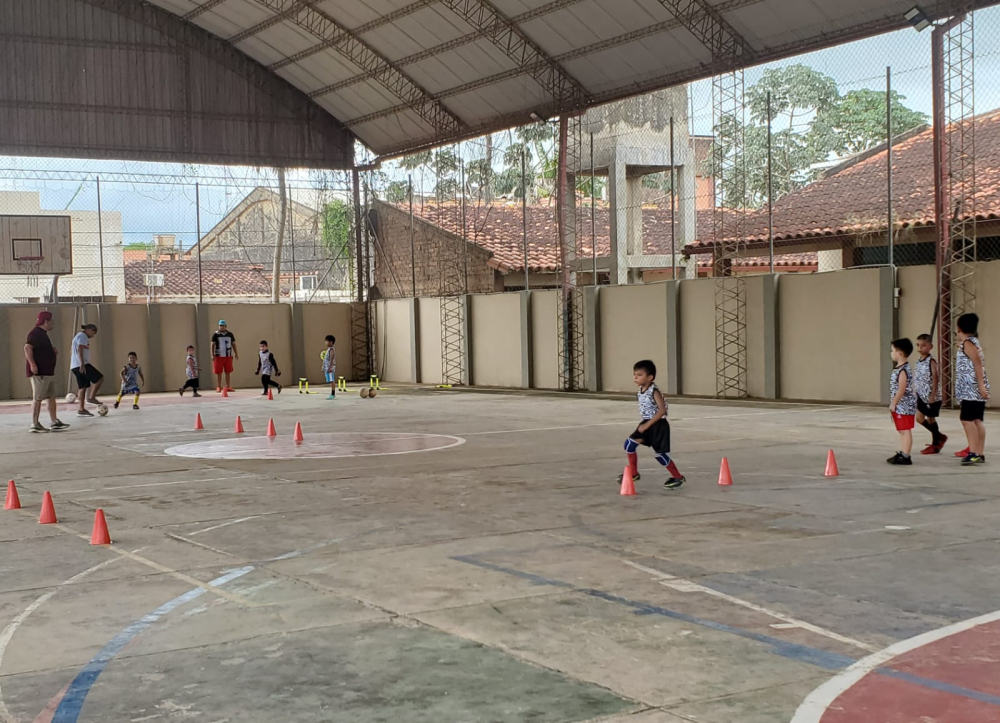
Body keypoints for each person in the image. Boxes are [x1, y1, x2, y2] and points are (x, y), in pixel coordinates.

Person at [621, 360, 685, 489]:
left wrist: (647, 424)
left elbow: (662, 411)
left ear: (650, 377)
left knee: (660, 455)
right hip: (647, 422)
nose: (635, 377)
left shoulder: (654, 391)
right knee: (629, 445)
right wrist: (645, 424)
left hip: (658, 425)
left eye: (639, 375)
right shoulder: (640, 390)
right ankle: (633, 473)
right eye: (634, 374)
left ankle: (678, 477)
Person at [24, 311, 69, 433]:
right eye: (51, 321)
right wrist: (33, 364)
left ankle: (54, 421)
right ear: (46, 321)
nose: (53, 323)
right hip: (40, 373)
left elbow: (40, 349)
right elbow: (28, 348)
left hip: (48, 372)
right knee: (38, 397)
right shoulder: (35, 333)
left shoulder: (43, 334)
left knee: (51, 396)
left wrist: (51, 352)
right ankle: (35, 423)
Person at [954, 313, 990, 466]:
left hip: (971, 389)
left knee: (967, 420)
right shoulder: (971, 342)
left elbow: (977, 364)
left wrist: (981, 386)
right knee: (976, 420)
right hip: (971, 389)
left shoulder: (969, 344)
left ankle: (974, 452)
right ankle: (979, 452)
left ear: (959, 328)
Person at [914, 334, 947, 454]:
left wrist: (933, 395)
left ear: (930, 346)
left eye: (923, 345)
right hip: (920, 395)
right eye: (918, 345)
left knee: (931, 418)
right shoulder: (918, 361)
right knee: (919, 418)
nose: (920, 348)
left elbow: (935, 377)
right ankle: (939, 436)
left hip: (930, 396)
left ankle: (935, 444)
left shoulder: (931, 361)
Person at [887, 338, 917, 465]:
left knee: (905, 430)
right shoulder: (899, 368)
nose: (891, 353)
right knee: (902, 430)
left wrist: (894, 403)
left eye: (892, 350)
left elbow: (901, 389)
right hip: (901, 406)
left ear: (899, 353)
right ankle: (904, 452)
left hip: (904, 406)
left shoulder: (903, 370)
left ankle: (906, 455)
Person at [71, 323, 104, 417]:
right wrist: (82, 363)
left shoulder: (78, 336)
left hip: (74, 365)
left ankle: (81, 409)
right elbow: (80, 349)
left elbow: (74, 349)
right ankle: (91, 397)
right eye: (93, 333)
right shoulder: (83, 336)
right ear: (89, 330)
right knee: (100, 378)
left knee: (83, 387)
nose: (93, 336)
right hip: (82, 364)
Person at [211, 320, 238, 393]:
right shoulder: (216, 334)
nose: (221, 327)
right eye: (220, 325)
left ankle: (228, 386)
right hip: (218, 356)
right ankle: (219, 386)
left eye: (223, 325)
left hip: (228, 356)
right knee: (218, 372)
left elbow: (233, 344)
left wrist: (236, 353)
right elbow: (212, 345)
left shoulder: (230, 334)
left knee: (228, 371)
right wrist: (212, 354)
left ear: (226, 326)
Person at [322, 335, 337, 399]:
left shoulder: (331, 349)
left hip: (330, 368)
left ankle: (333, 394)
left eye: (327, 341)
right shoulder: (328, 349)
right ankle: (332, 393)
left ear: (331, 342)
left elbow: (331, 358)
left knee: (331, 380)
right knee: (330, 380)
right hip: (327, 367)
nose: (326, 343)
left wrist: (330, 367)